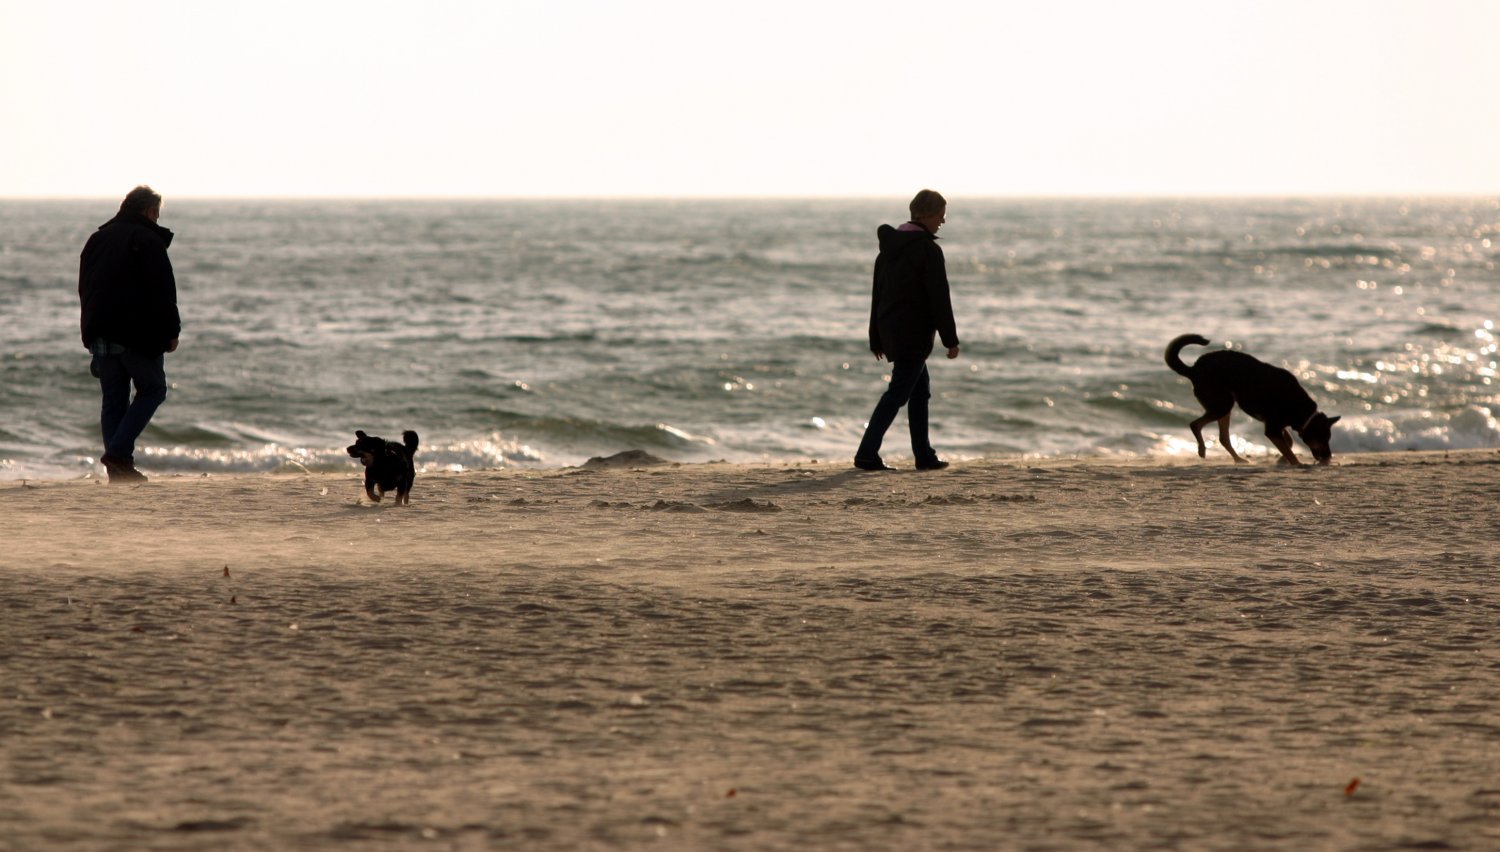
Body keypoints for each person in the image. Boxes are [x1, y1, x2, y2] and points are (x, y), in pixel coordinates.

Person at [78, 185, 181, 483]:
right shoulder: (147, 239)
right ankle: (118, 454)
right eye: (157, 215)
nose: (158, 221)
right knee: (153, 390)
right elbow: (162, 291)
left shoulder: (97, 240)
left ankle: (118, 470)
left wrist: (89, 331)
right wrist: (171, 330)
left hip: (100, 331)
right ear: (149, 212)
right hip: (137, 334)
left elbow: (85, 289)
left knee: (113, 401)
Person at [854, 189, 960, 471]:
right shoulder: (927, 250)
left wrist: (876, 338)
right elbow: (940, 298)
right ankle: (866, 454)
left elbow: (878, 296)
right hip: (913, 335)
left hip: (893, 332)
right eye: (941, 215)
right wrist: (951, 340)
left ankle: (923, 455)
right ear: (926, 215)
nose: (943, 221)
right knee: (898, 394)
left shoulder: (888, 250)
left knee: (919, 391)